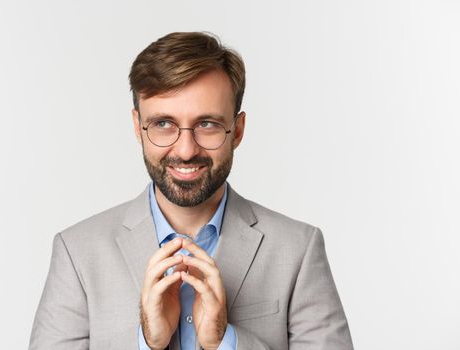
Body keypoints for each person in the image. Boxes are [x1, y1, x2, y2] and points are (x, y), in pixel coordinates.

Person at [29, 31, 354, 350]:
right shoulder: (77, 253)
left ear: (237, 131)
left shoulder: (298, 249)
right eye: (163, 124)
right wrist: (146, 344)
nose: (185, 150)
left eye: (207, 124)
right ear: (137, 127)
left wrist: (225, 342)